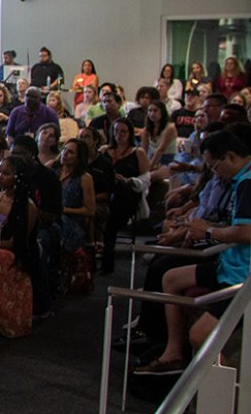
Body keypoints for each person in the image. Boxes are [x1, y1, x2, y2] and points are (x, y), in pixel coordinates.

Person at [134, 125, 251, 376]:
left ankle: (222, 389)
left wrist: (208, 232)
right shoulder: (240, 180)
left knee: (199, 335)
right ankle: (173, 352)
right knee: (171, 277)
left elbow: (245, 233)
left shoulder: (247, 184)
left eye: (215, 166)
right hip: (228, 264)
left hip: (242, 277)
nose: (215, 173)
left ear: (230, 157)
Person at [0, 155, 41, 338]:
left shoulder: (28, 207)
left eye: (5, 173)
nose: (0, 176)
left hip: (14, 252)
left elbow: (19, 242)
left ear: (18, 177)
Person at [103, 118, 149, 274]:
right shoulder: (104, 151)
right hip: (106, 194)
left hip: (128, 195)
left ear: (130, 134)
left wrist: (129, 181)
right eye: (116, 131)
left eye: (123, 131)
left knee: (120, 193)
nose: (119, 135)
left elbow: (146, 179)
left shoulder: (138, 153)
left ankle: (107, 254)